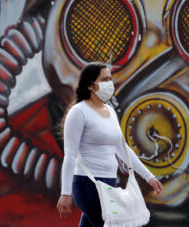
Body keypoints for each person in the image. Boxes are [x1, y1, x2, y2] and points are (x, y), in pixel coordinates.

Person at [56, 61, 163, 227]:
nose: (110, 84)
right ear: (90, 86)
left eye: (110, 79)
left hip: (109, 183)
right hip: (87, 184)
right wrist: (65, 192)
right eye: (104, 79)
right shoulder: (79, 112)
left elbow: (123, 149)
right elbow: (69, 155)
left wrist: (149, 177)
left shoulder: (110, 112)